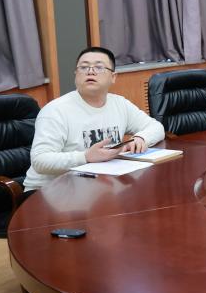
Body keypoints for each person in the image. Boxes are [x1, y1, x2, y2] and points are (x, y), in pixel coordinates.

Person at [22, 46, 166, 191]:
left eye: (99, 67)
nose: (90, 71)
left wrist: (141, 138)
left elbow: (156, 127)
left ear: (113, 77)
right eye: (84, 67)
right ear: (76, 74)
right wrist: (85, 157)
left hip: (96, 186)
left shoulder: (120, 104)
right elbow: (40, 161)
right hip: (47, 191)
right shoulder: (55, 111)